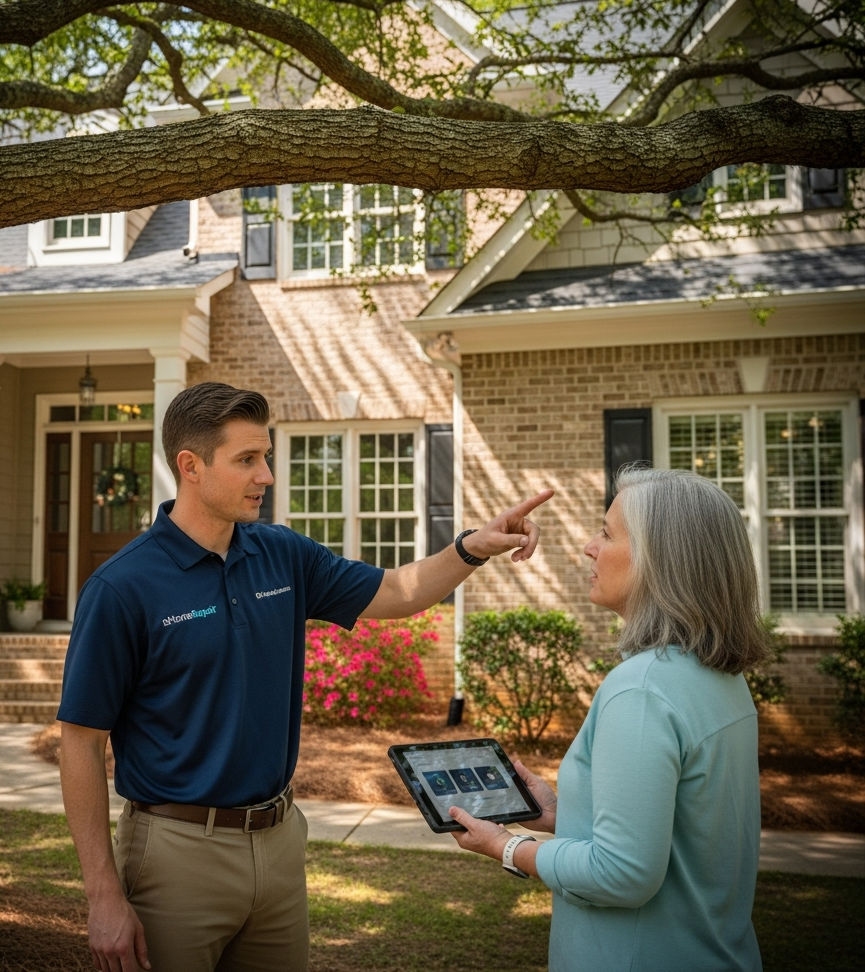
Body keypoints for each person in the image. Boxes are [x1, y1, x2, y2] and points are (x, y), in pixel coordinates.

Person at [57, 381, 553, 972]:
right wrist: (102, 895)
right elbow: (80, 742)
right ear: (190, 466)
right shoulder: (122, 588)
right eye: (247, 459)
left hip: (280, 843)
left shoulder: (282, 555)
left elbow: (397, 591)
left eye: (265, 456)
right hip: (176, 852)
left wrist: (473, 547)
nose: (266, 475)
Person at [451, 466, 769, 972]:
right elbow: (683, 833)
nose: (588, 548)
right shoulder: (718, 677)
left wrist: (507, 846)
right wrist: (561, 814)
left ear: (661, 560)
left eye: (606, 533)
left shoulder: (642, 688)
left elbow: (621, 874)